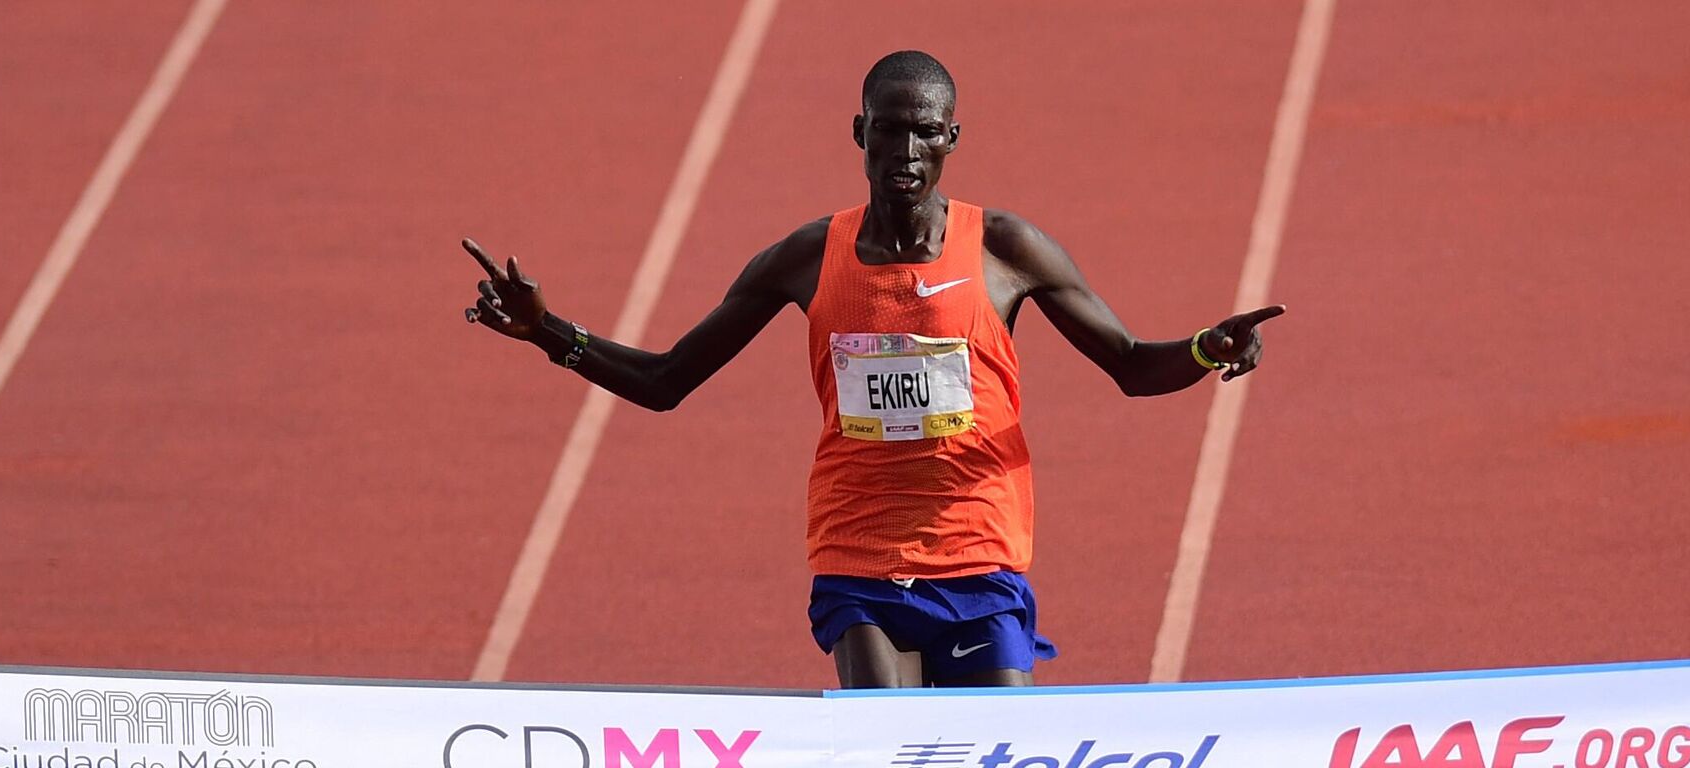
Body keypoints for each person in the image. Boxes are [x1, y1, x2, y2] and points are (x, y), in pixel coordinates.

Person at [461, 50, 1285, 688]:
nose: (905, 147)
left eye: (925, 130)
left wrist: (1210, 346)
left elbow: (1133, 366)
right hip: (861, 554)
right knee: (887, 748)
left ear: (952, 138)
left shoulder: (1005, 250)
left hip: (980, 553)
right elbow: (668, 380)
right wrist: (547, 332)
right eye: (887, 127)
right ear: (858, 134)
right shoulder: (803, 259)